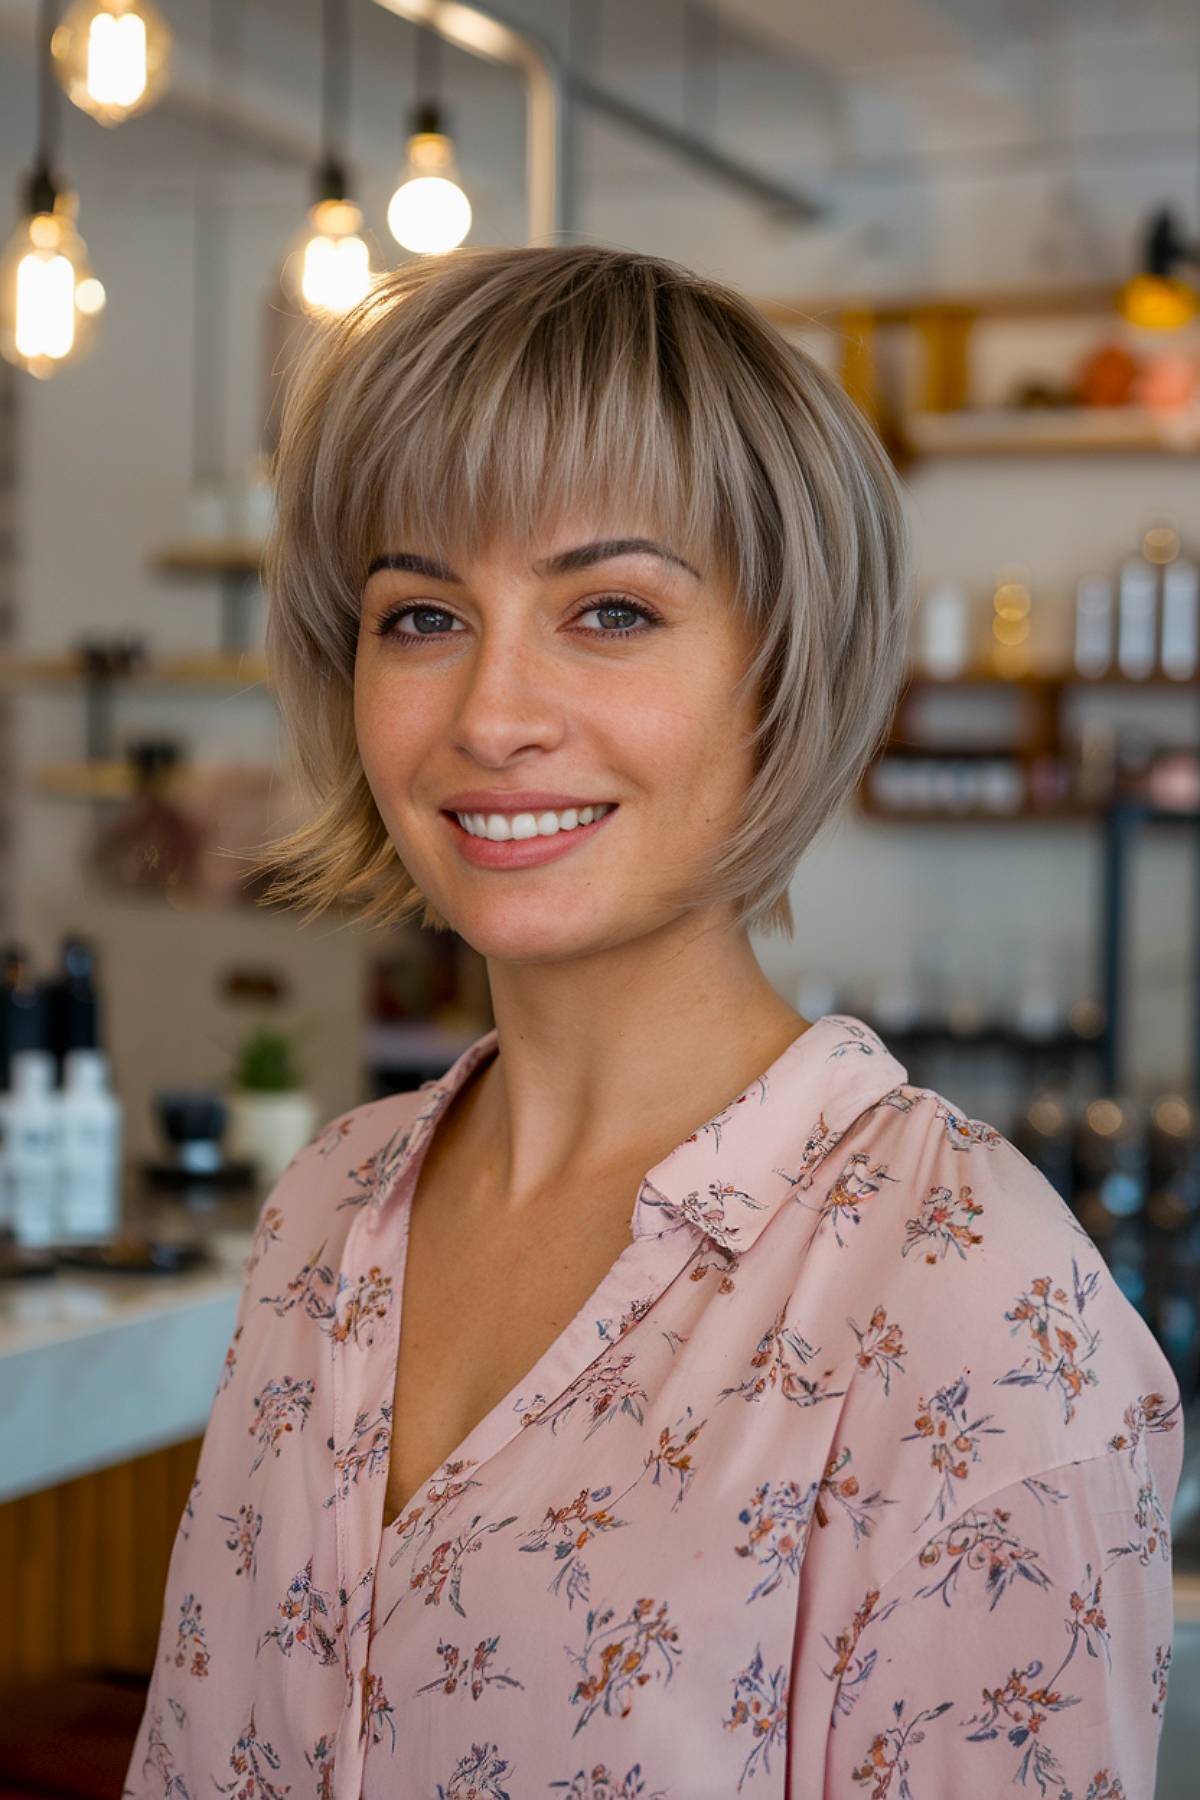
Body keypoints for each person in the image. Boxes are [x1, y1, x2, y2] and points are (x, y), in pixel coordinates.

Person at [123, 244, 1183, 1799]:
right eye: (420, 618)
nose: (491, 714)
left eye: (610, 610)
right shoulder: (329, 1214)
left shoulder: (978, 1317)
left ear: (787, 670)